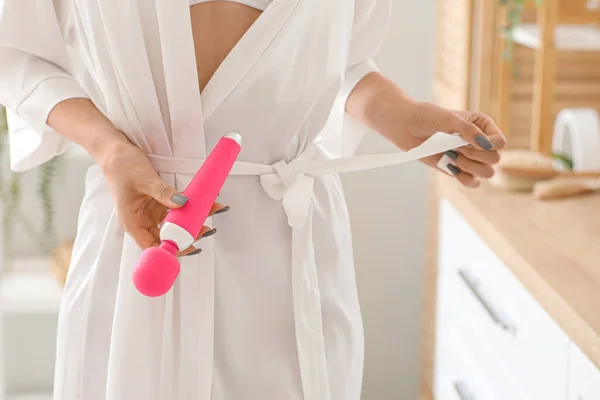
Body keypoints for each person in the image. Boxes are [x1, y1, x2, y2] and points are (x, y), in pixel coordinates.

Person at [0, 0, 505, 399]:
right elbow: (19, 56)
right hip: (142, 231)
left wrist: (397, 112)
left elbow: (338, 56)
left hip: (289, 251)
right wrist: (110, 149)